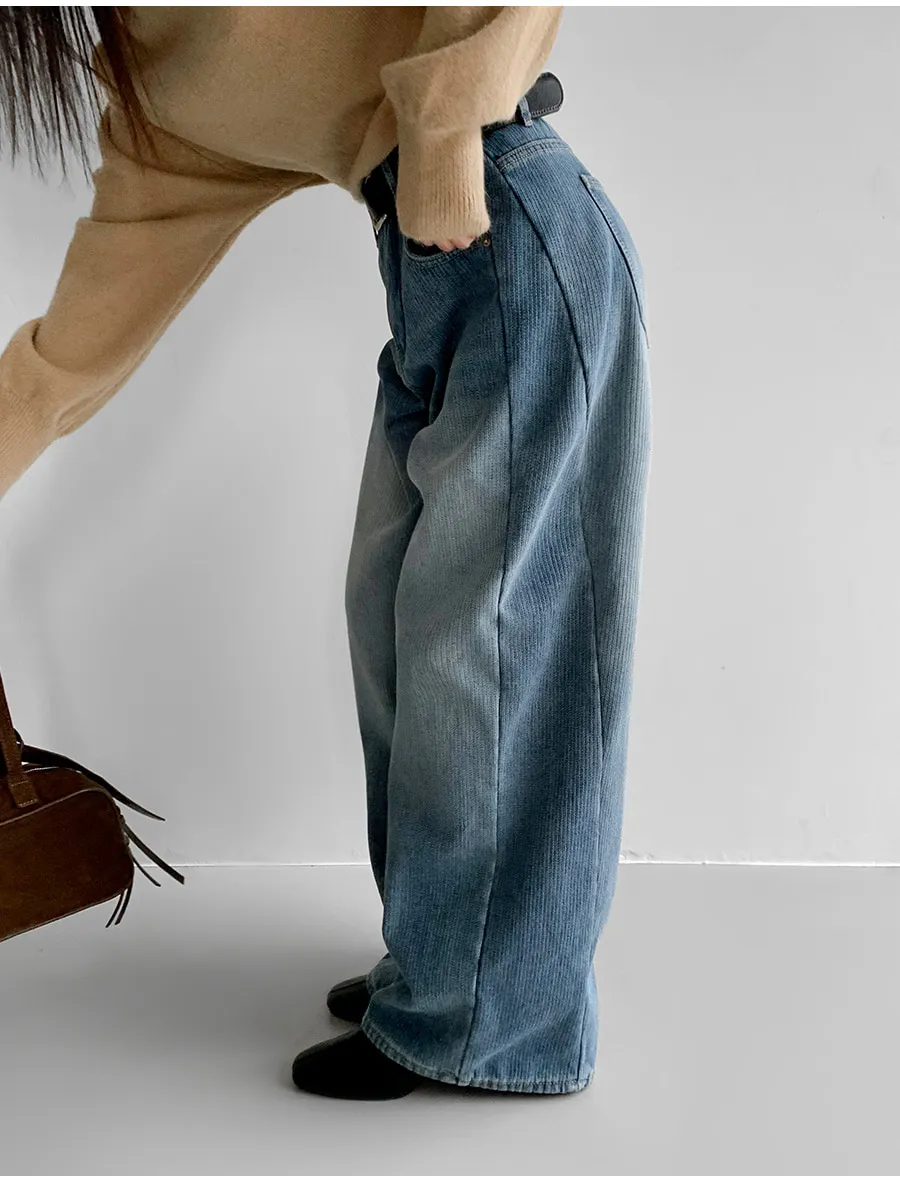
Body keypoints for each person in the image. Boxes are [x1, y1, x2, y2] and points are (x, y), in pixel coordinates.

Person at [0, 7, 652, 1101]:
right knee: (399, 634)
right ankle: (444, 963)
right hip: (432, 277)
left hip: (515, 221)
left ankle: (488, 1023)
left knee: (488, 651)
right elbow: (64, 360)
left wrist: (444, 127)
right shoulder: (158, 92)